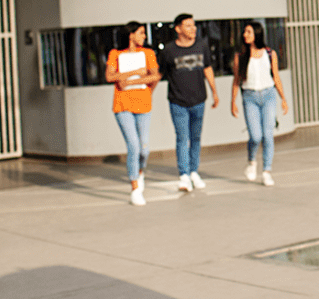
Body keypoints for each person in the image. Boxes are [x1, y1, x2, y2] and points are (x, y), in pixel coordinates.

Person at [158, 13, 219, 192]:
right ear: (178, 29)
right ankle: (184, 175)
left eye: (194, 25)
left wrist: (214, 92)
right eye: (188, 25)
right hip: (178, 102)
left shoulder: (201, 46)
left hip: (199, 100)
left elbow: (207, 68)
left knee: (196, 137)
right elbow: (159, 73)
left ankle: (194, 172)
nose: (193, 29)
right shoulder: (169, 50)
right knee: (182, 138)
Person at [104, 21, 160, 206]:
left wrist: (128, 80)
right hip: (123, 105)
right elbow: (110, 76)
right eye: (141, 32)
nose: (144, 36)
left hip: (143, 104)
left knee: (144, 149)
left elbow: (155, 75)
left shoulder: (148, 53)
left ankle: (140, 172)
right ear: (131, 34)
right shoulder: (115, 54)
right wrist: (136, 72)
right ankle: (135, 188)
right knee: (133, 146)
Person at [229, 21, 288, 186]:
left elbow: (276, 76)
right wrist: (233, 102)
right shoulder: (240, 56)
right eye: (244, 32)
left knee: (268, 135)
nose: (245, 35)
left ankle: (267, 171)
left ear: (257, 34)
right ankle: (251, 161)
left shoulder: (269, 53)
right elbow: (236, 81)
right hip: (250, 97)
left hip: (268, 95)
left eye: (248, 32)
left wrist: (283, 98)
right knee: (255, 136)